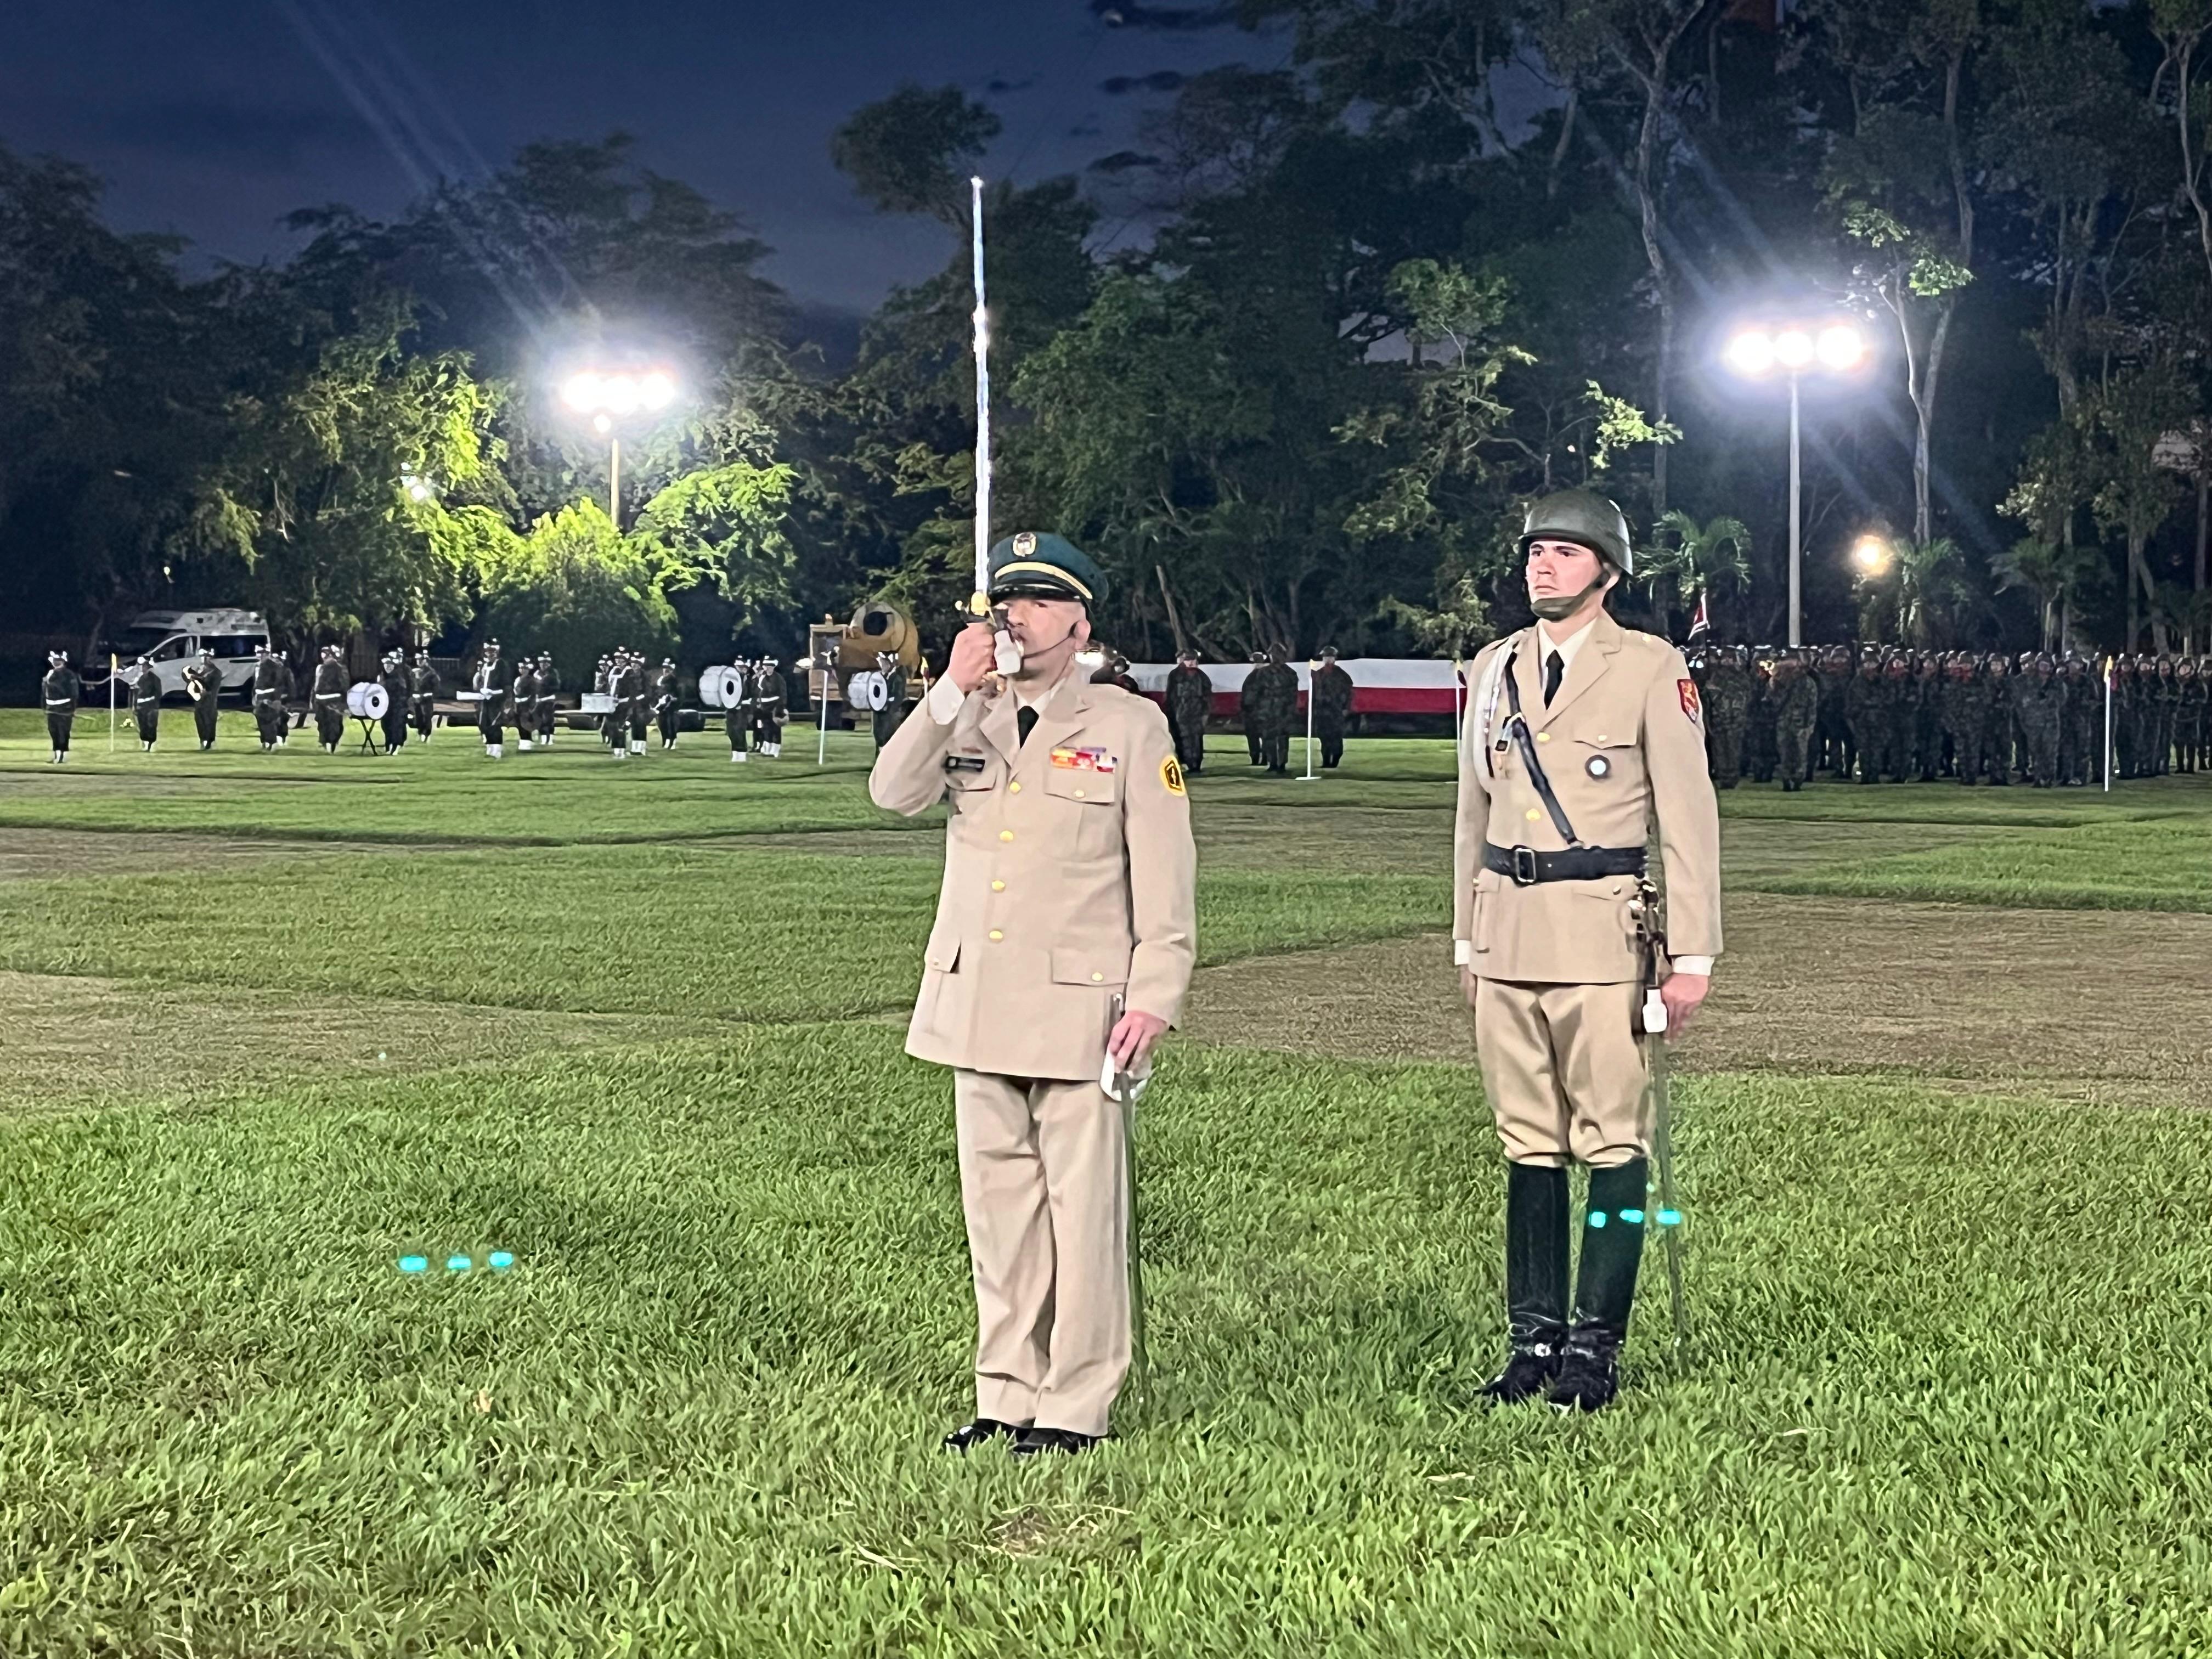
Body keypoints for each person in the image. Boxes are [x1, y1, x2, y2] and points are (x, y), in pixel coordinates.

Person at [869, 531, 1196, 1457]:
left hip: (1079, 1007)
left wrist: (1153, 994)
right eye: (1005, 600)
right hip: (976, 1000)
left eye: (1039, 601)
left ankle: (1074, 1402)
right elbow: (890, 792)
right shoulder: (967, 713)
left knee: (1082, 1215)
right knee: (1000, 1217)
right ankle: (1004, 1391)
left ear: (1079, 621)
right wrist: (945, 692)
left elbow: (1165, 876)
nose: (1015, 614)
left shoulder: (1127, 726)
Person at [1453, 489, 1720, 1413]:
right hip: (1506, 929)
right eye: (1535, 550)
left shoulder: (1649, 668)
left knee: (1612, 1140)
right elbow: (1471, 814)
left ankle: (1594, 1346)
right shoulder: (1491, 670)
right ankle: (1532, 1340)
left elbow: (1688, 819)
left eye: (1565, 552)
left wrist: (1692, 956)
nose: (1543, 564)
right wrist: (1465, 932)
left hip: (1602, 933)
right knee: (1526, 1142)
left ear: (1606, 570)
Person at [1770, 650, 1817, 791]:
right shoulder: (1780, 681)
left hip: (1800, 724)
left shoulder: (1807, 683)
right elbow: (1773, 701)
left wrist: (1810, 726)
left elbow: (1812, 705)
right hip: (1783, 722)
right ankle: (1786, 779)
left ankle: (1797, 780)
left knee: (1800, 754)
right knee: (1784, 753)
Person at [1251, 646, 1299, 775]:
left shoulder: (1290, 673)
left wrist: (1290, 710)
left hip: (1283, 711)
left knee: (1282, 738)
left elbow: (1293, 694)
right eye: (1273, 654)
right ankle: (1273, 764)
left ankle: (1281, 764)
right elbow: (1257, 693)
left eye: (1278, 654)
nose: (1275, 656)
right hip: (1268, 711)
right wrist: (1258, 709)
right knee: (1269, 738)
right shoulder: (1263, 673)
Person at [1164, 648, 1211, 776]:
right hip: (1180, 713)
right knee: (1183, 738)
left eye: (1193, 660)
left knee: (1196, 739)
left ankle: (1196, 764)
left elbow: (1207, 697)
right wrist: (1169, 713)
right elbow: (1170, 696)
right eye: (1188, 660)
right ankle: (1188, 763)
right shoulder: (1175, 675)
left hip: (1197, 713)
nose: (1191, 663)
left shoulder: (1202, 677)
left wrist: (1206, 714)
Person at [1311, 646, 1355, 769]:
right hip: (1322, 711)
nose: (1328, 660)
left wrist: (1346, 708)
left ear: (1335, 659)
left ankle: (1335, 760)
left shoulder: (1342, 675)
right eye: (1326, 657)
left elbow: (1349, 693)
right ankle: (1326, 761)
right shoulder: (1318, 674)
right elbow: (1314, 693)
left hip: (1336, 711)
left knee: (1336, 736)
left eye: (1330, 657)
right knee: (1323, 737)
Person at [41, 650, 81, 764]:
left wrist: (73, 708)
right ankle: (56, 755)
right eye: (55, 661)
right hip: (51, 708)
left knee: (64, 732)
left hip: (65, 708)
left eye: (59, 661)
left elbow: (74, 693)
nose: (56, 663)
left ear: (63, 662)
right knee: (53, 731)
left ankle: (62, 756)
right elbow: (44, 692)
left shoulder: (69, 675)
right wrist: (44, 706)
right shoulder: (49, 674)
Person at [473, 640, 510, 759]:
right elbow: (479, 684)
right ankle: (489, 748)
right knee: (483, 723)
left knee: (495, 724)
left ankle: (497, 750)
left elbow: (506, 686)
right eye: (488, 652)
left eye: (493, 652)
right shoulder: (484, 666)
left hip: (496, 700)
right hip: (484, 701)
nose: (490, 654)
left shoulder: (501, 665)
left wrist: (493, 693)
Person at [311, 645, 347, 753]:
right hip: (322, 700)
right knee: (325, 723)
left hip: (332, 700)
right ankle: (328, 743)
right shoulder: (320, 668)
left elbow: (344, 685)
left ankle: (330, 744)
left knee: (332, 723)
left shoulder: (339, 669)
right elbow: (316, 686)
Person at [250, 646, 286, 752]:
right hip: (259, 697)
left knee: (269, 720)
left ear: (267, 654)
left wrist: (276, 699)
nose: (260, 655)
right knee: (260, 720)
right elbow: (255, 683)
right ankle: (264, 741)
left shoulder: (275, 666)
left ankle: (270, 743)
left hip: (269, 696)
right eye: (258, 653)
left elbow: (279, 684)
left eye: (262, 653)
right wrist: (254, 696)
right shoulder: (257, 666)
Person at [186, 648, 223, 750]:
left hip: (209, 701)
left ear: (210, 657)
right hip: (199, 701)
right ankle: (202, 740)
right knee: (200, 721)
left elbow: (213, 689)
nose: (203, 659)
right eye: (202, 656)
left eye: (206, 656)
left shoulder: (215, 672)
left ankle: (209, 742)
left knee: (209, 721)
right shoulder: (199, 670)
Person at [751, 657, 786, 758]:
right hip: (764, 707)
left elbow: (783, 694)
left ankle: (775, 750)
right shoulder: (762, 678)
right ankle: (767, 748)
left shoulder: (779, 678)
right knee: (766, 728)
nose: (768, 668)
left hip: (776, 706)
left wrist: (781, 707)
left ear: (773, 667)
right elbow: (759, 691)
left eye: (770, 666)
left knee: (775, 728)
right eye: (767, 666)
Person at [380, 650, 411, 753]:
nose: (388, 667)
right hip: (385, 707)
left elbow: (404, 692)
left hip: (397, 706)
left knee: (396, 726)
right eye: (386, 665)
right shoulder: (382, 678)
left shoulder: (399, 678)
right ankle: (388, 744)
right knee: (386, 726)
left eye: (390, 666)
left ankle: (396, 745)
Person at [1240, 651, 1268, 765]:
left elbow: (1247, 696)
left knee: (1254, 737)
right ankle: (1262, 758)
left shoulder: (1251, 677)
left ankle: (1258, 759)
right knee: (1262, 737)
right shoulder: (1267, 676)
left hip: (1255, 712)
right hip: (1261, 712)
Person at [131, 654, 162, 752]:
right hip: (141, 706)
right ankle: (145, 742)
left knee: (151, 725)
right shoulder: (140, 679)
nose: (143, 668)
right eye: (142, 666)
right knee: (142, 725)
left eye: (144, 666)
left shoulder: (155, 679)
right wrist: (135, 706)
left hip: (150, 706)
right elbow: (137, 694)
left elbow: (158, 694)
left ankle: (150, 743)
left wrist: (152, 704)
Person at [410, 651, 440, 744]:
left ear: (425, 660)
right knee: (418, 717)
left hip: (426, 698)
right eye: (417, 660)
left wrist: (429, 694)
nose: (419, 662)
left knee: (426, 717)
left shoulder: (431, 673)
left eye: (421, 660)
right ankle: (420, 732)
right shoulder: (415, 672)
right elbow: (412, 684)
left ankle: (426, 734)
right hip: (417, 698)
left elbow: (436, 686)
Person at [654, 659, 681, 749]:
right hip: (661, 704)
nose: (665, 670)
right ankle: (665, 740)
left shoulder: (673, 680)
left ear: (671, 670)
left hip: (670, 704)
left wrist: (671, 699)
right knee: (662, 724)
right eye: (664, 668)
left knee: (670, 723)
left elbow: (675, 693)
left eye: (668, 668)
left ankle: (672, 741)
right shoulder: (661, 679)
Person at [534, 652, 560, 746]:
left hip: (549, 699)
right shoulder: (537, 673)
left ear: (549, 663)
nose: (543, 664)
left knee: (548, 719)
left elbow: (557, 686)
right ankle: (543, 737)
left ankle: (550, 738)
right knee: (539, 720)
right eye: (541, 662)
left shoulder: (553, 673)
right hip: (539, 700)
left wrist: (545, 687)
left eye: (545, 663)